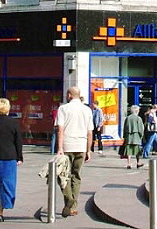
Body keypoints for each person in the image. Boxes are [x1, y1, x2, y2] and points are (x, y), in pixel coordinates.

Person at [55, 86, 93, 218]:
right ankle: (74, 206)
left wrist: (60, 148)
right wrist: (88, 150)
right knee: (76, 176)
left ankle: (68, 198)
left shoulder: (63, 109)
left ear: (70, 95)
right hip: (81, 146)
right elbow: (90, 132)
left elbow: (60, 129)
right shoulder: (87, 110)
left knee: (62, 174)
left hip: (67, 145)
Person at [122, 105, 144, 169]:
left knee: (129, 150)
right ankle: (138, 162)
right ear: (137, 111)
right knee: (137, 150)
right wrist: (141, 135)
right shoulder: (138, 118)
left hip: (129, 136)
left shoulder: (128, 118)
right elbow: (140, 128)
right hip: (136, 136)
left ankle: (129, 163)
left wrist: (124, 136)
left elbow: (125, 127)